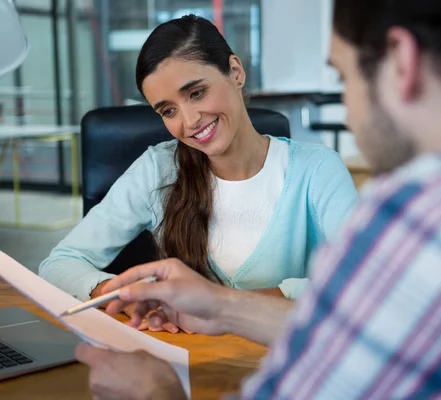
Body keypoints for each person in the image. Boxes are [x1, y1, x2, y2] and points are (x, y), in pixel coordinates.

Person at [76, 0, 441, 398]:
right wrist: (227, 306)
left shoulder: (427, 221)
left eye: (343, 76)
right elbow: (384, 328)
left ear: (401, 62)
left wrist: (163, 395)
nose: (348, 111)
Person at [38, 15, 356, 332]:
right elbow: (59, 263)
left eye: (196, 93)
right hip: (190, 367)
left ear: (235, 71)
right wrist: (133, 298)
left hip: (289, 365)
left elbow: (366, 278)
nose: (189, 122)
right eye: (168, 111)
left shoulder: (317, 169)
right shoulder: (157, 170)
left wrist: (221, 308)